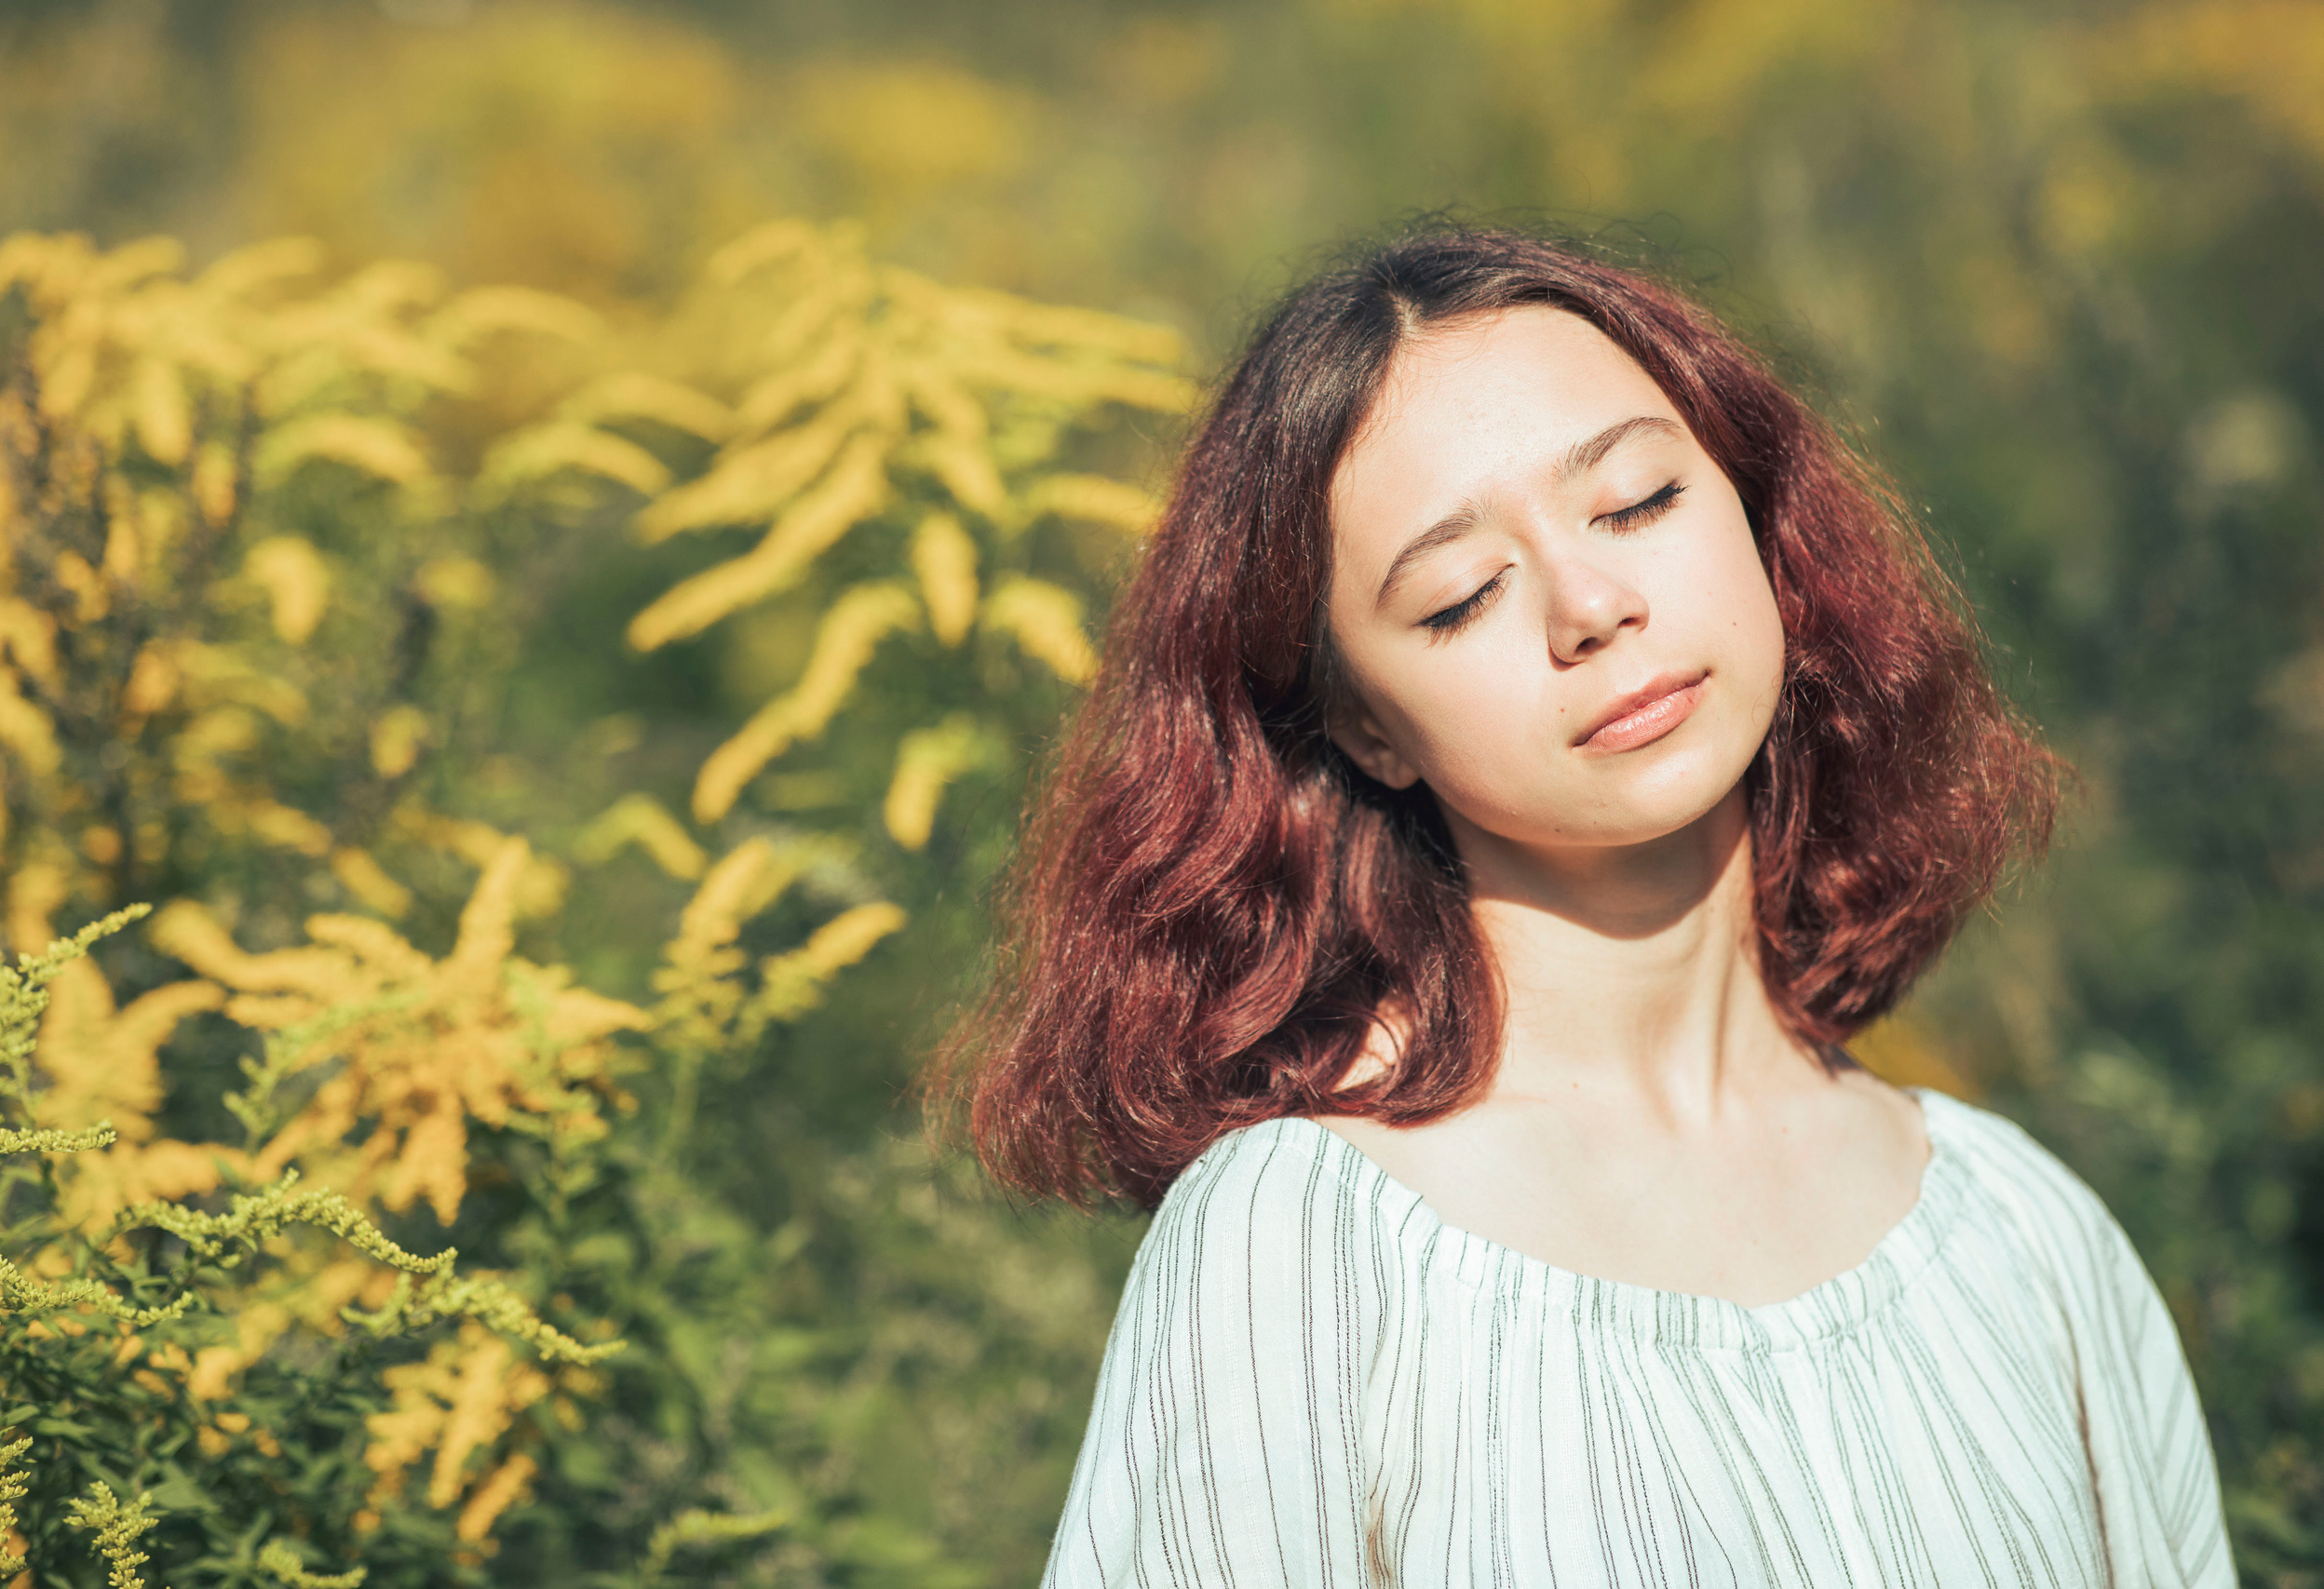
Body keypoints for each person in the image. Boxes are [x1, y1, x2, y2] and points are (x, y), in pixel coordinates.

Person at [943, 228, 2235, 1585]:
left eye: (1635, 502)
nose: (1591, 607)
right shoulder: (1300, 1245)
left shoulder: (2026, 1232)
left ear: (1752, 511)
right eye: (1460, 598)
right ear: (1366, 727)